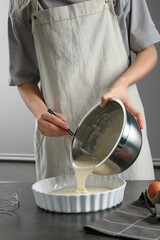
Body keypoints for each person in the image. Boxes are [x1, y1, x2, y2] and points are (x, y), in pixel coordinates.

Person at [8, 0, 160, 181]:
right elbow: (23, 78)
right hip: (61, 140)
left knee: (134, 206)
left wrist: (122, 84)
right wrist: (41, 113)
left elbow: (148, 51)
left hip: (122, 135)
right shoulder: (22, 4)